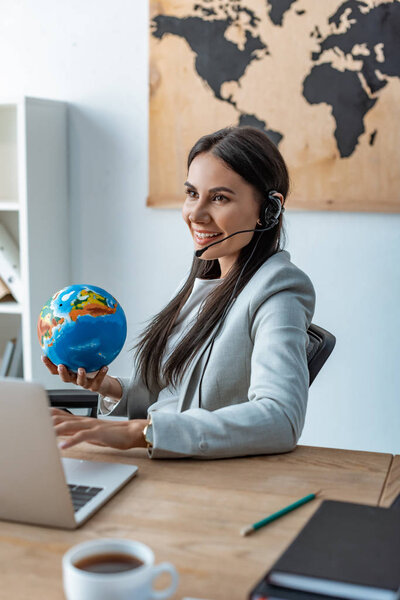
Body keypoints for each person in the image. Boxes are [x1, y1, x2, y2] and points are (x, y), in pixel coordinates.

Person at [44, 126, 315, 459]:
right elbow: (169, 394)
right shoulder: (205, 277)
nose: (196, 215)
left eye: (219, 198)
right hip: (157, 462)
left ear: (268, 210)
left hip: (199, 477)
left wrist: (136, 433)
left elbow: (281, 418)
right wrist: (108, 387)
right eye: (191, 194)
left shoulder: (280, 290)